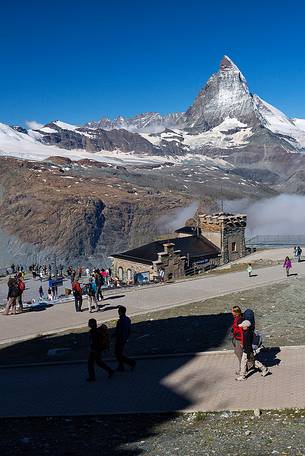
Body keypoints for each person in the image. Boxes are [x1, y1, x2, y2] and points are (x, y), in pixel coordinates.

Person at [114, 306, 136, 371]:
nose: (118, 312)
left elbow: (119, 331)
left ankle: (131, 362)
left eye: (118, 311)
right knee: (119, 353)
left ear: (120, 312)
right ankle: (121, 366)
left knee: (118, 353)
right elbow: (129, 329)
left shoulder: (120, 321)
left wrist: (114, 335)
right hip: (124, 337)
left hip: (120, 339)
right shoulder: (128, 319)